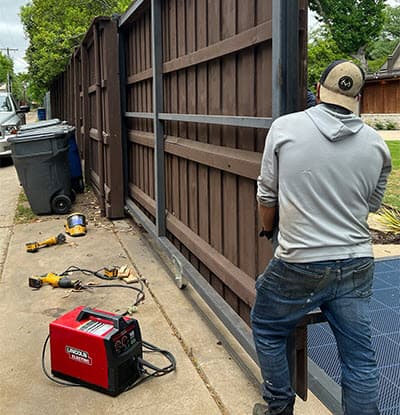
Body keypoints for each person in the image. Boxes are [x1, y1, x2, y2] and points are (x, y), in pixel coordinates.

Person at [251, 60, 392, 415]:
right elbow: (369, 203)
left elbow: (266, 197)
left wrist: (269, 230)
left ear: (318, 90)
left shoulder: (285, 128)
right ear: (358, 97)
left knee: (267, 326)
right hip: (357, 262)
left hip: (300, 262)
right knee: (359, 359)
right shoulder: (377, 146)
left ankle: (279, 406)